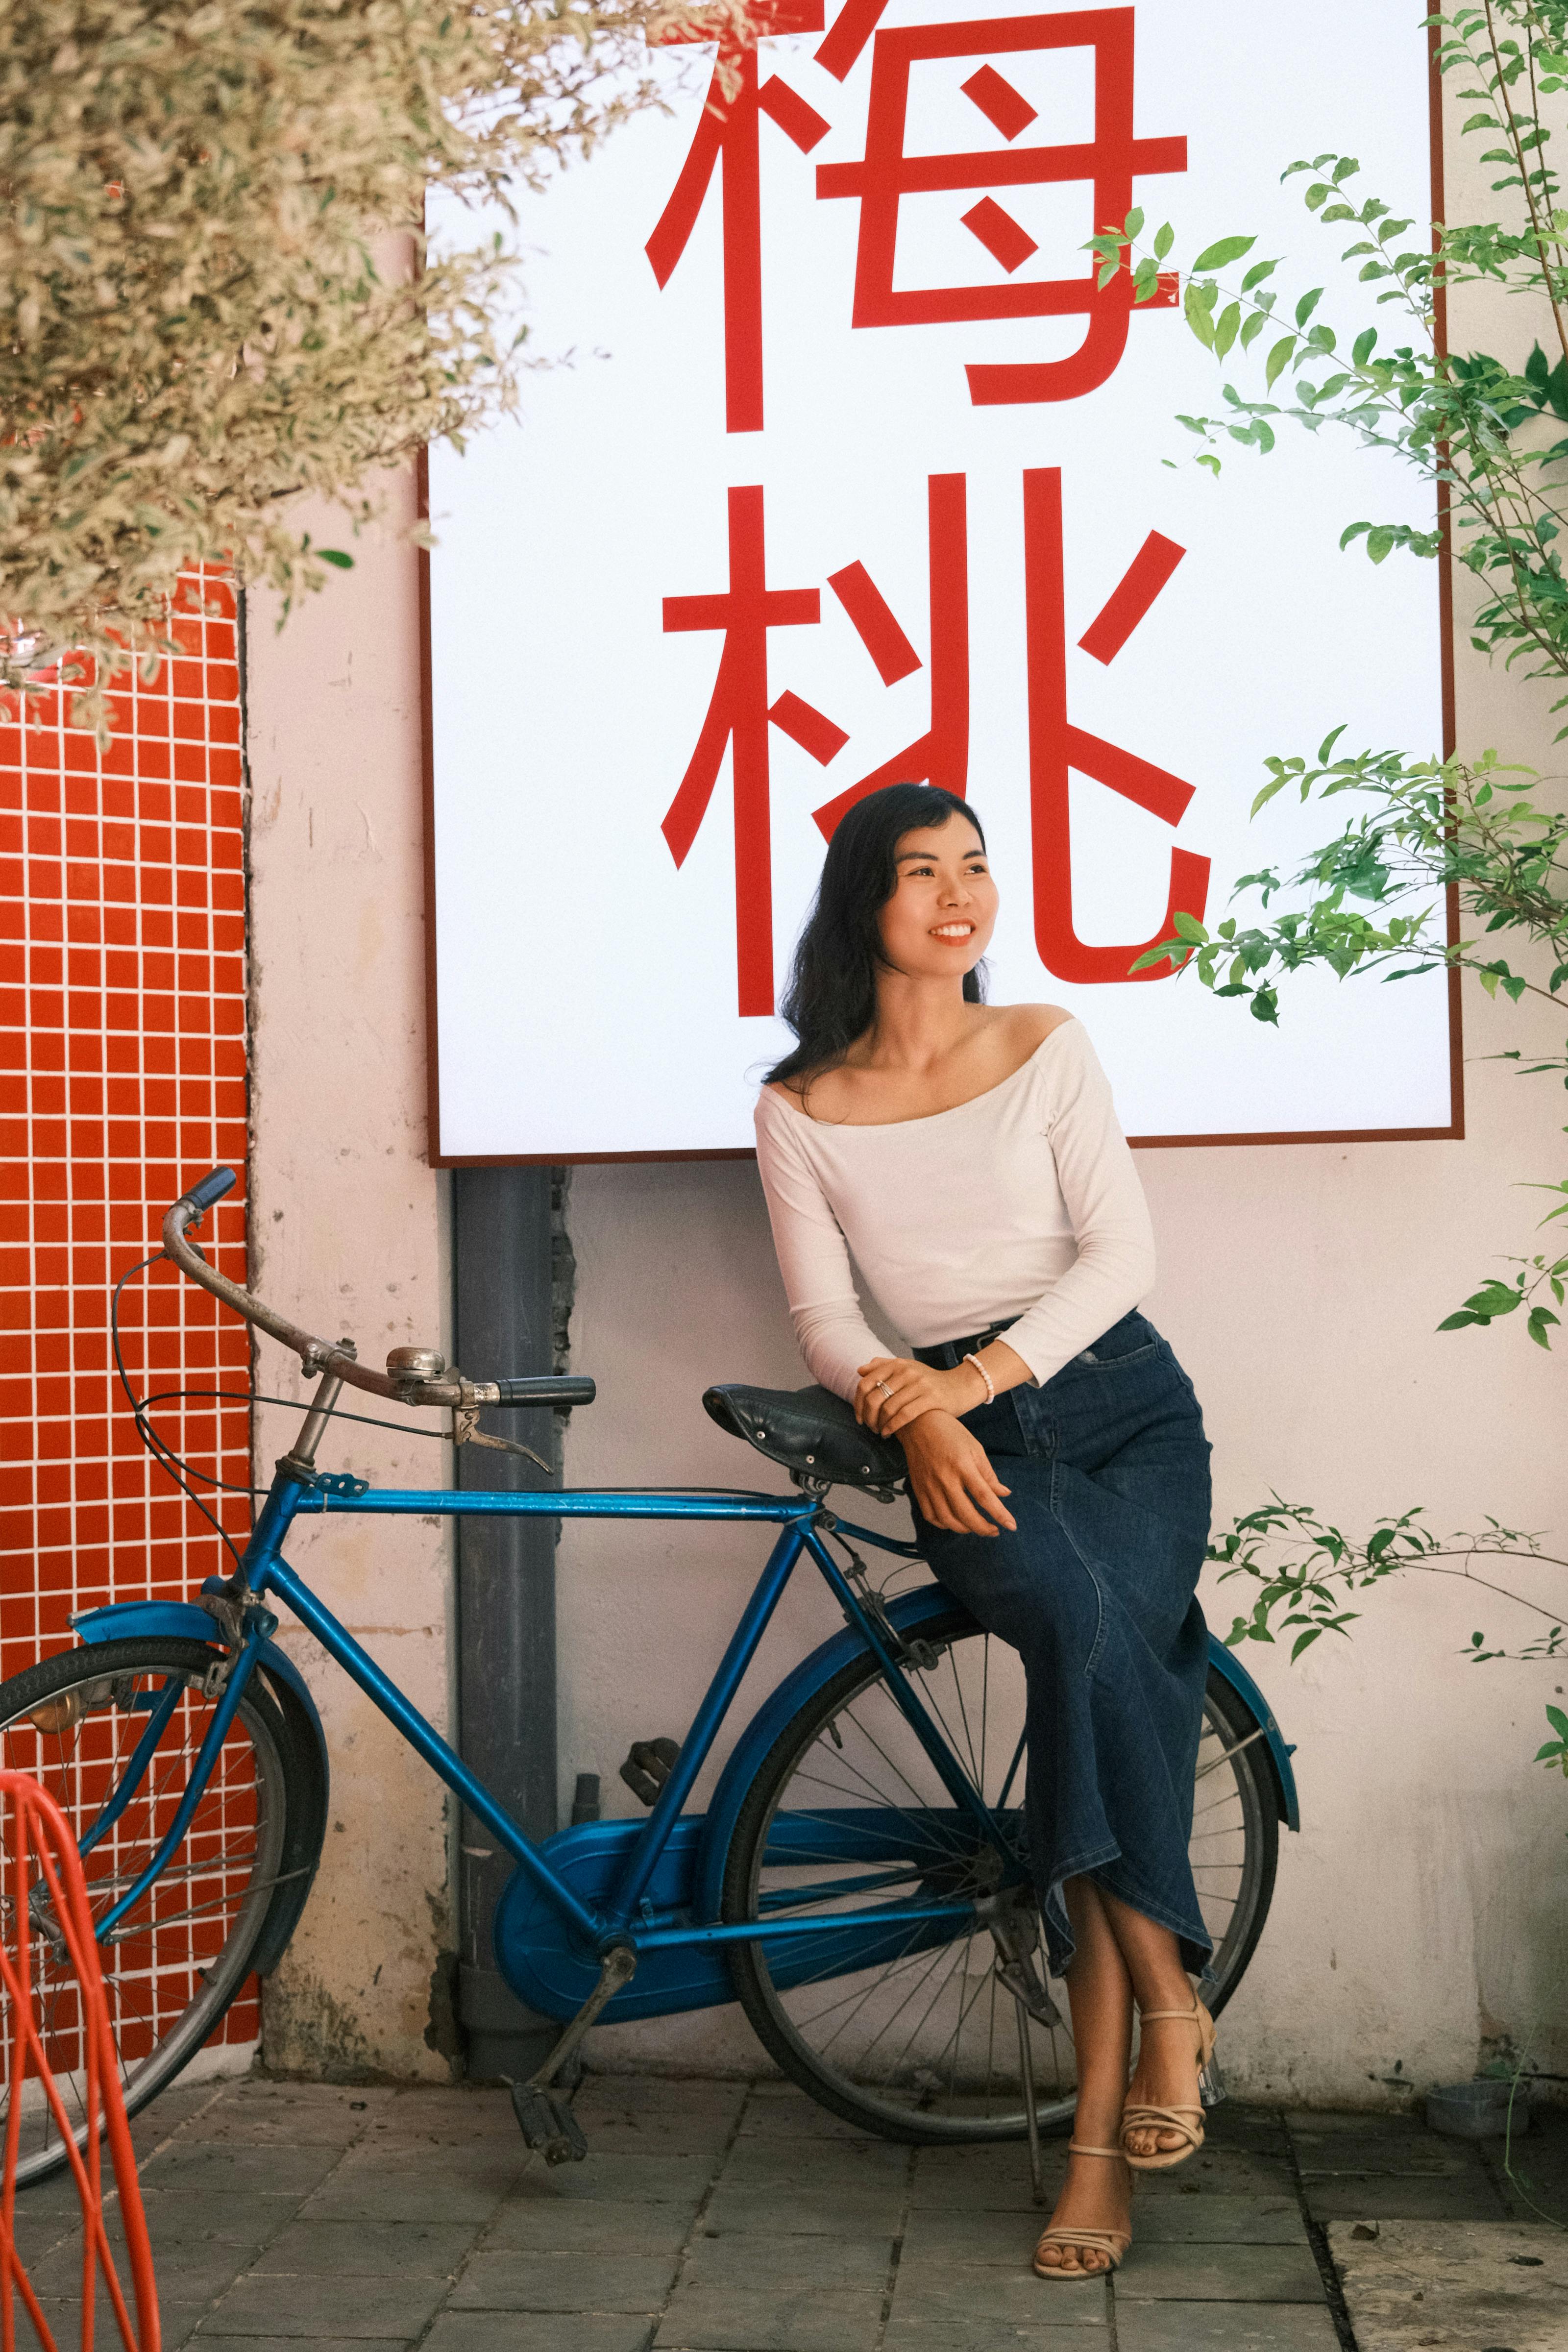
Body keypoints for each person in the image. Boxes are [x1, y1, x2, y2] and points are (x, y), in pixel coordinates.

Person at [753, 781, 1218, 2281]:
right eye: (922, 873)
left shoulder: (1043, 1044)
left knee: (1087, 1664)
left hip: (1126, 1412)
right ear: (861, 902)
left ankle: (1100, 2149)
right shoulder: (801, 1107)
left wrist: (969, 1380)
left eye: (978, 868)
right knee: (1087, 1640)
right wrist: (924, 1412)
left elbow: (1122, 1250)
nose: (960, 897)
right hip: (966, 1448)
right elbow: (826, 1319)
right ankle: (1169, 2001)